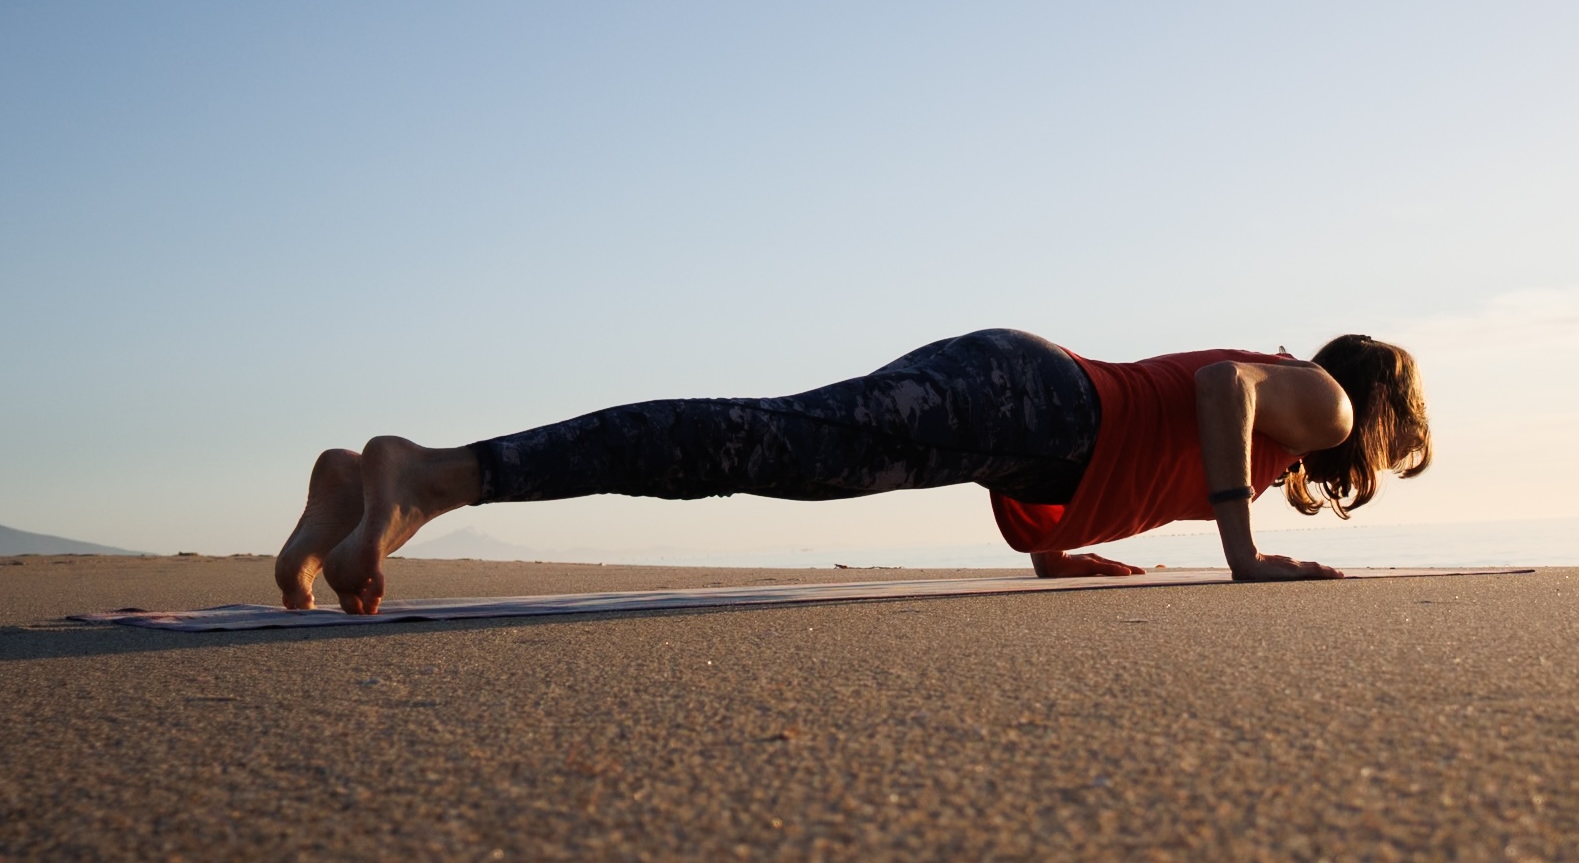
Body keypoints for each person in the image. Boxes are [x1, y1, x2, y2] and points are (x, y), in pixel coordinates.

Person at [275, 329, 1432, 614]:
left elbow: (1132, 444)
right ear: (1375, 407)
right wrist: (1243, 554)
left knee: (759, 446)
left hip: (1020, 411)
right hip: (1022, 396)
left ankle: (358, 487)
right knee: (752, 443)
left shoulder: (1281, 439)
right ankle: (433, 474)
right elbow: (1217, 387)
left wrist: (1055, 546)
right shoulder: (1319, 399)